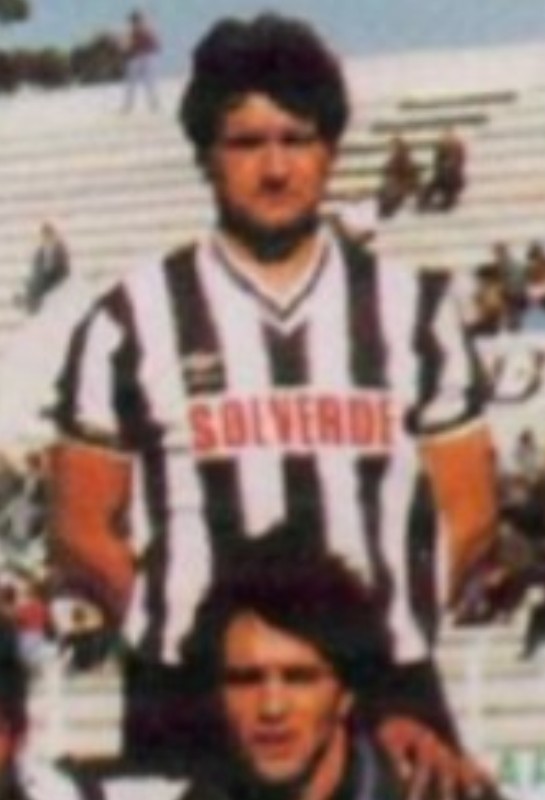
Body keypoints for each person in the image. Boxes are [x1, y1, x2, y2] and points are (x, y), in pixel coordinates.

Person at [50, 12, 499, 793]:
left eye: (296, 139)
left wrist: (382, 655)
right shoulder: (132, 319)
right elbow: (79, 527)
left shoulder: (412, 312)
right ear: (206, 155)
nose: (275, 167)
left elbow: (470, 514)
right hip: (187, 692)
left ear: (330, 151)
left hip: (383, 683)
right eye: (246, 143)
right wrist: (181, 632)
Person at [179, 533, 506, 800]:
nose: (272, 708)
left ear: (346, 692)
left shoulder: (438, 791)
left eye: (300, 679)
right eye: (245, 680)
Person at [18, 223, 70, 314]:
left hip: (56, 275)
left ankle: (31, 302)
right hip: (44, 276)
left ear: (53, 236)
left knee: (40, 280)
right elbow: (35, 264)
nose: (46, 239)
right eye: (44, 236)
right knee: (30, 280)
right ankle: (30, 301)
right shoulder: (41, 250)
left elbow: (63, 267)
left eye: (48, 236)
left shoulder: (60, 248)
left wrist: (49, 270)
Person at [120, 9, 160, 113]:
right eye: (134, 21)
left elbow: (155, 45)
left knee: (149, 83)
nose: (135, 23)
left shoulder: (147, 31)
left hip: (147, 58)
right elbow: (125, 48)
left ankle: (154, 105)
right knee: (131, 84)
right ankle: (128, 106)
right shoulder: (129, 34)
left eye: (137, 20)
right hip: (135, 59)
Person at [419, 128, 466, 211]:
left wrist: (449, 165)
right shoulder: (441, 149)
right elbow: (437, 164)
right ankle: (424, 203)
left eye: (448, 137)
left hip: (452, 178)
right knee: (428, 188)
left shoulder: (457, 148)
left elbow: (457, 164)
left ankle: (444, 204)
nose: (445, 140)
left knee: (449, 190)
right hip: (441, 176)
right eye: (444, 138)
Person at [376, 135, 420, 218]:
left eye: (394, 146)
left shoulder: (405, 158)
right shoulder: (393, 158)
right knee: (382, 192)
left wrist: (398, 183)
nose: (391, 149)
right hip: (395, 183)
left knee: (392, 194)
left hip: (403, 184)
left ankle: (388, 212)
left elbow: (409, 174)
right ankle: (384, 212)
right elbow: (387, 171)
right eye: (391, 146)